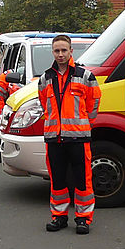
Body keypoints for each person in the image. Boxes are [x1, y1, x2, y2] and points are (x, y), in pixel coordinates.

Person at [37, 34, 101, 234]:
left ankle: (83, 218)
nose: (61, 54)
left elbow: (94, 103)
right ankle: (59, 217)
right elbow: (43, 104)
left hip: (79, 138)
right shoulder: (45, 78)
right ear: (53, 52)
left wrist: (83, 123)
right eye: (57, 50)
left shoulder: (85, 76)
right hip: (54, 138)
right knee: (57, 181)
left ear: (71, 51)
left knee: (82, 181)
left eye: (64, 50)